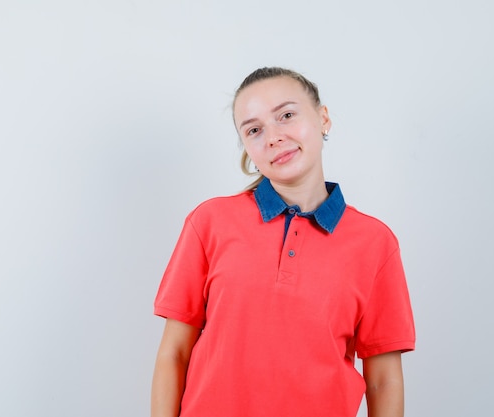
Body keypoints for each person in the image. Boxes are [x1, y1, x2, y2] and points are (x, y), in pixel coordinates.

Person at [151, 67, 415, 417]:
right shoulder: (210, 222)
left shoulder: (375, 243)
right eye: (255, 130)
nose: (273, 137)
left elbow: (383, 379)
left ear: (323, 119)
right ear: (246, 146)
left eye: (287, 116)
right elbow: (174, 354)